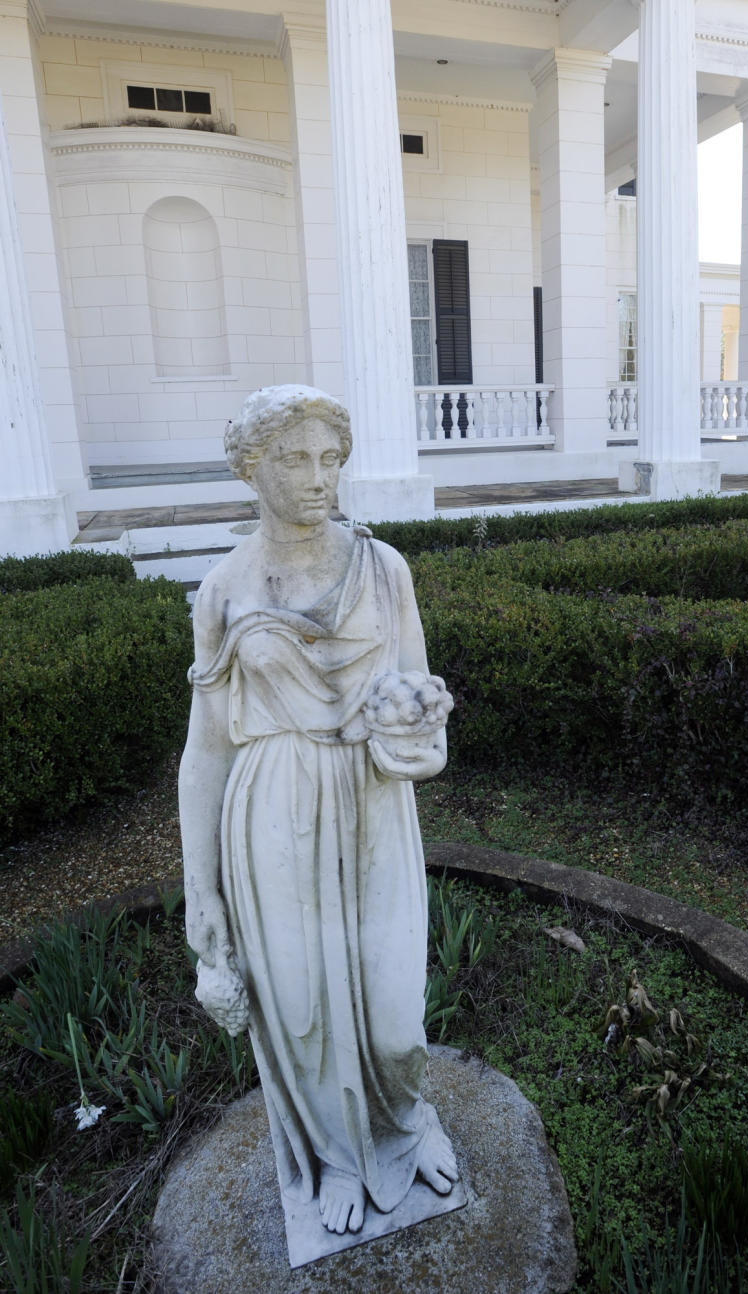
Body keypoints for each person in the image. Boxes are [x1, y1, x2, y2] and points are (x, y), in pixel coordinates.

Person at [179, 385, 458, 1244]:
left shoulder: (385, 567)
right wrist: (202, 893)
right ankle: (339, 1156)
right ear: (250, 468)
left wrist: (419, 731)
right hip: (273, 812)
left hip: (374, 802)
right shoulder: (223, 590)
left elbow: (419, 702)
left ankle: (406, 1124)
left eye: (330, 459)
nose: (318, 478)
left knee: (394, 1018)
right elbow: (206, 753)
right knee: (300, 1011)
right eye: (295, 459)